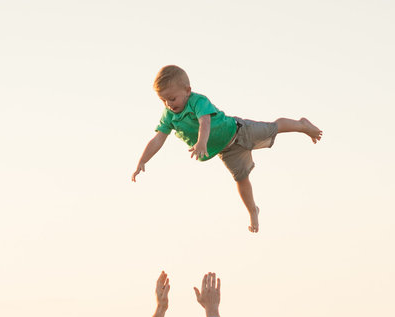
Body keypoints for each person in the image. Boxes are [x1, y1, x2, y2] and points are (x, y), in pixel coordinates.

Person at [131, 65, 322, 233]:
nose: (169, 104)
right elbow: (158, 139)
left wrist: (201, 143)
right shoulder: (169, 116)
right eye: (163, 101)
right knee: (241, 179)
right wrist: (142, 160)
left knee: (274, 128)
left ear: (187, 90)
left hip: (240, 131)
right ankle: (253, 211)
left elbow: (204, 121)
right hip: (228, 151)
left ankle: (301, 125)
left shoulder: (198, 101)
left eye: (172, 98)